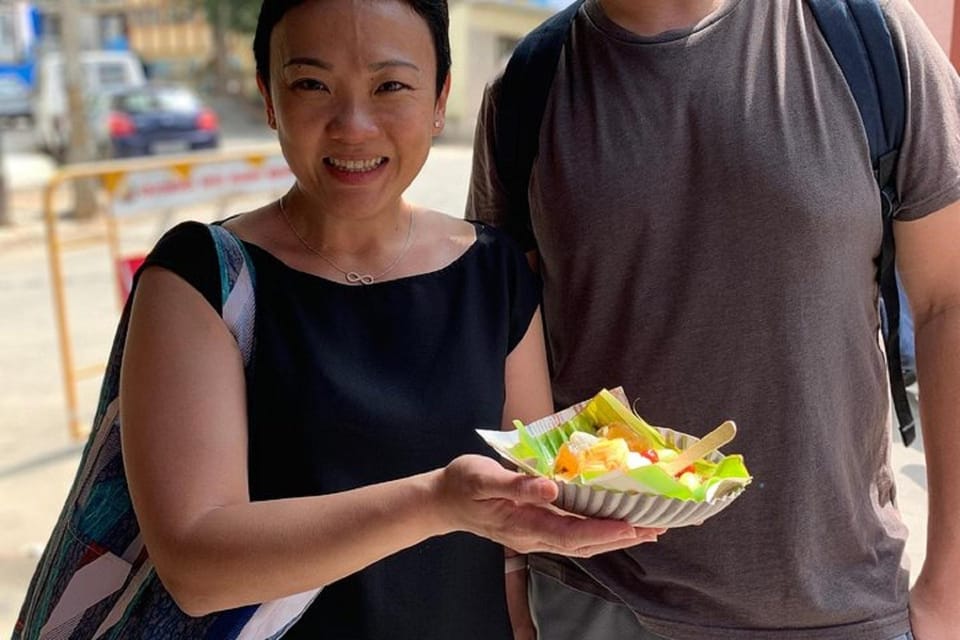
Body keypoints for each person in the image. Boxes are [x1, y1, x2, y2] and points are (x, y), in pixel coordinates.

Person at [117, 0, 664, 638]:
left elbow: (520, 528)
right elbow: (195, 567)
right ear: (269, 97)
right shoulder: (199, 279)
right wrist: (435, 503)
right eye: (312, 84)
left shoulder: (494, 272)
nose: (353, 126)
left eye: (391, 87)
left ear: (440, 99)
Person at [467, 0, 960, 638]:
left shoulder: (868, 38)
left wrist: (950, 588)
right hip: (594, 599)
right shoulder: (528, 86)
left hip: (838, 603)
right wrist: (508, 581)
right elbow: (499, 343)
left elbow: (948, 300)